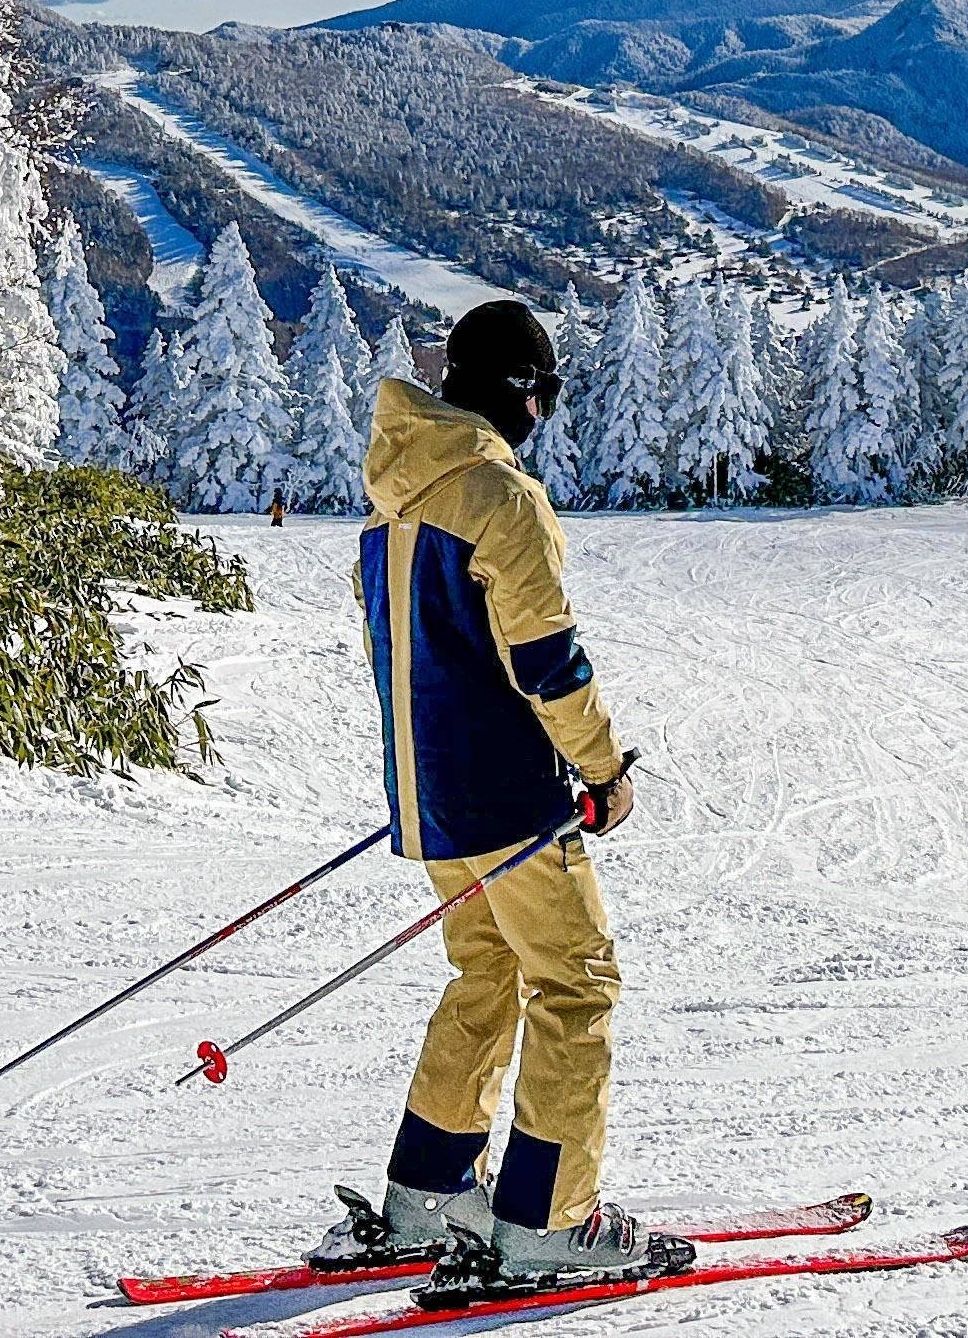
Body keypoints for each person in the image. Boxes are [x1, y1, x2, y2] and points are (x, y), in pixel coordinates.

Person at [315, 300, 657, 1291]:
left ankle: (428, 1194)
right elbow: (548, 663)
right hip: (514, 805)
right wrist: (601, 776)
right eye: (543, 396)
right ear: (517, 394)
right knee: (574, 983)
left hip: (436, 807)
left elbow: (409, 664)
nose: (543, 415)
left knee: (487, 975)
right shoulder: (503, 501)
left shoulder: (390, 509)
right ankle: (550, 1222)